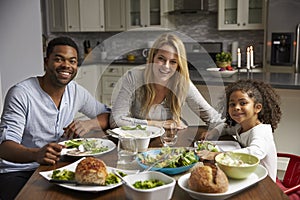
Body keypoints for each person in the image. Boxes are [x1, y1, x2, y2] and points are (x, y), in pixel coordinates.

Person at [0, 36, 110, 199]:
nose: (66, 65)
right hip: (18, 171)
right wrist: (35, 154)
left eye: (72, 61)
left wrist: (91, 124)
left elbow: (108, 115)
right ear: (46, 62)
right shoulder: (21, 94)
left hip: (56, 167)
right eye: (59, 59)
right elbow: (5, 147)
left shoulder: (75, 91)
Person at [110, 33, 223, 129]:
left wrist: (237, 128)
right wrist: (156, 124)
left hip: (169, 140)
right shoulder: (134, 77)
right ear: (152, 58)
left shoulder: (182, 83)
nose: (166, 66)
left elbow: (211, 117)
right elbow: (115, 120)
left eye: (173, 62)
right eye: (161, 59)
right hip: (138, 141)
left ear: (179, 65)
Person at [198, 79, 282, 182]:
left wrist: (217, 155)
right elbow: (225, 127)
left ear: (257, 108)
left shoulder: (261, 131)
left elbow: (255, 152)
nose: (236, 107)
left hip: (263, 181)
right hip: (246, 174)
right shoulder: (240, 126)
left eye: (243, 103)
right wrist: (213, 132)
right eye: (232, 104)